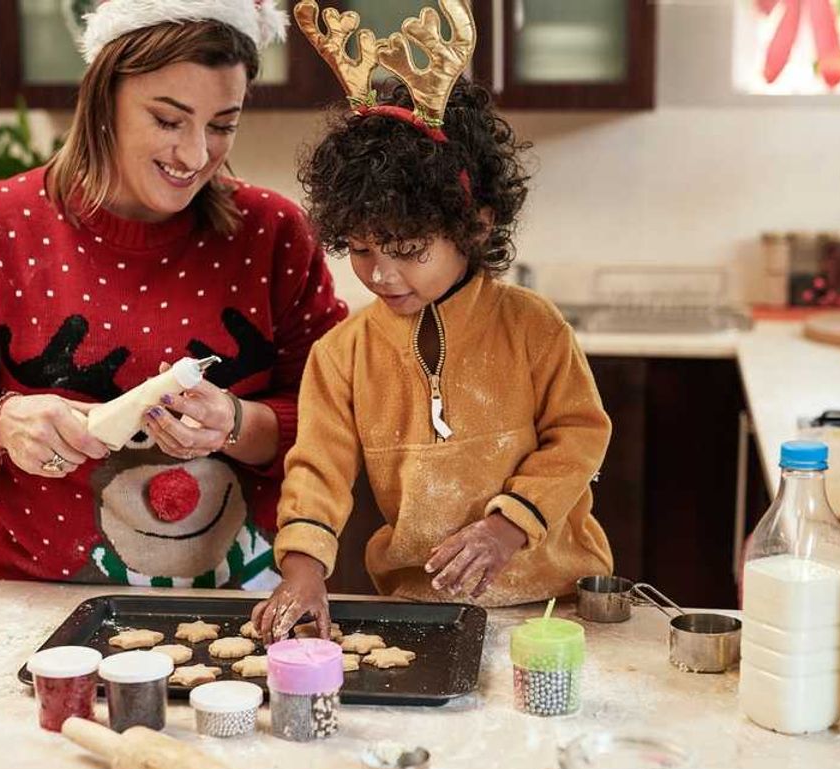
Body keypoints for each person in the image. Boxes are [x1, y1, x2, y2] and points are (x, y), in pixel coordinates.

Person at [0, 0, 346, 588]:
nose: (195, 155)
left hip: (249, 605)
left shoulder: (272, 234)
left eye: (222, 125)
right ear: (103, 99)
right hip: (44, 606)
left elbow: (339, 416)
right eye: (168, 120)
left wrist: (238, 424)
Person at [252, 0, 612, 640]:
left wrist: (508, 527)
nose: (381, 274)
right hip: (423, 610)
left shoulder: (532, 326)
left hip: (556, 605)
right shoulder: (343, 356)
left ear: (474, 226)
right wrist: (304, 570)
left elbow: (580, 436)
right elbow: (317, 473)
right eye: (360, 250)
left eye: (408, 251)